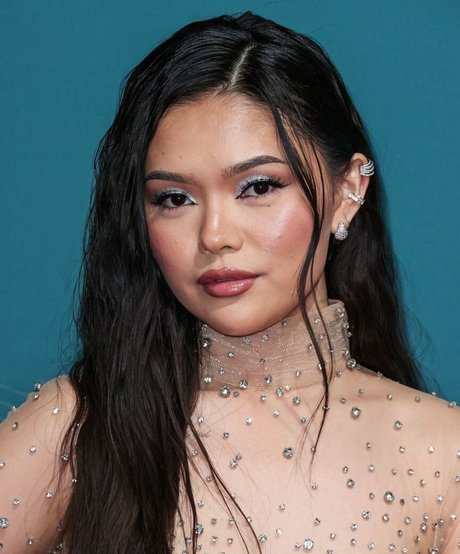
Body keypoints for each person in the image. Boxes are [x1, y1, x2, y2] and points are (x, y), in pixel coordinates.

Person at [0, 11, 458, 554]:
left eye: (258, 187)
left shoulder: (442, 457)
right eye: (174, 198)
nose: (214, 235)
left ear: (348, 191)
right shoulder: (75, 429)